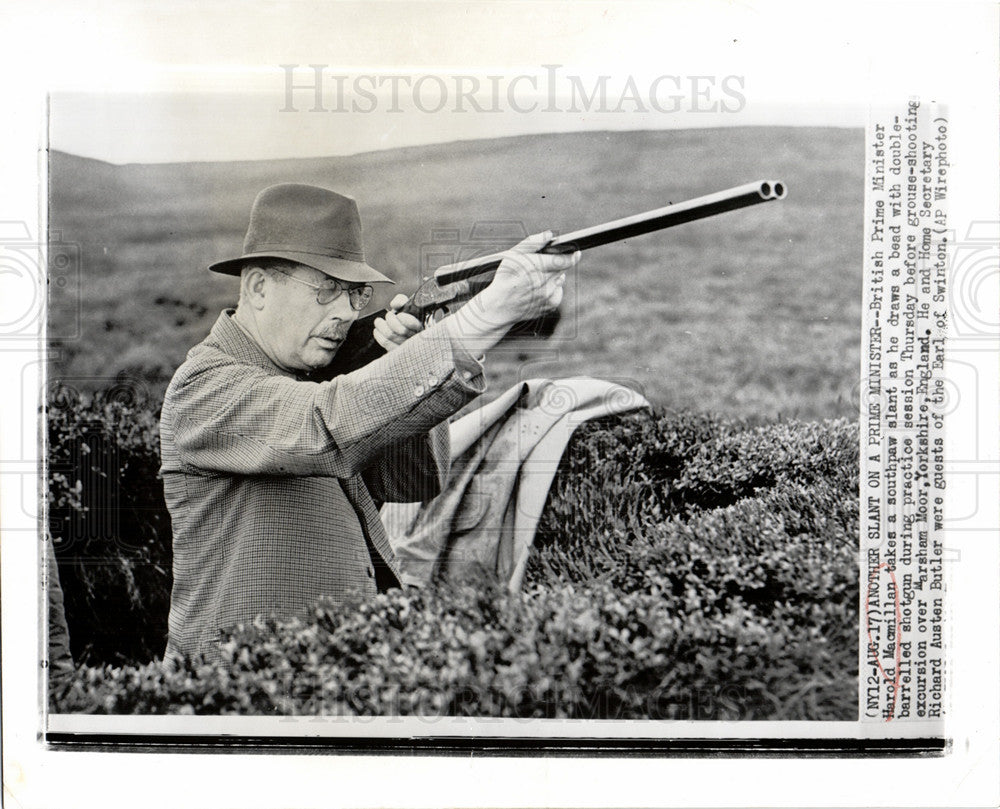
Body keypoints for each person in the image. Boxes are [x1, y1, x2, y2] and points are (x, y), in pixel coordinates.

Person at [160, 182, 576, 660]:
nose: (343, 313)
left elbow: (413, 480)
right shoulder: (204, 386)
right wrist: (483, 318)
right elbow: (324, 425)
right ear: (258, 287)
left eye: (355, 294)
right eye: (327, 290)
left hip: (332, 675)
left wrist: (403, 358)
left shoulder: (310, 376)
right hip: (240, 691)